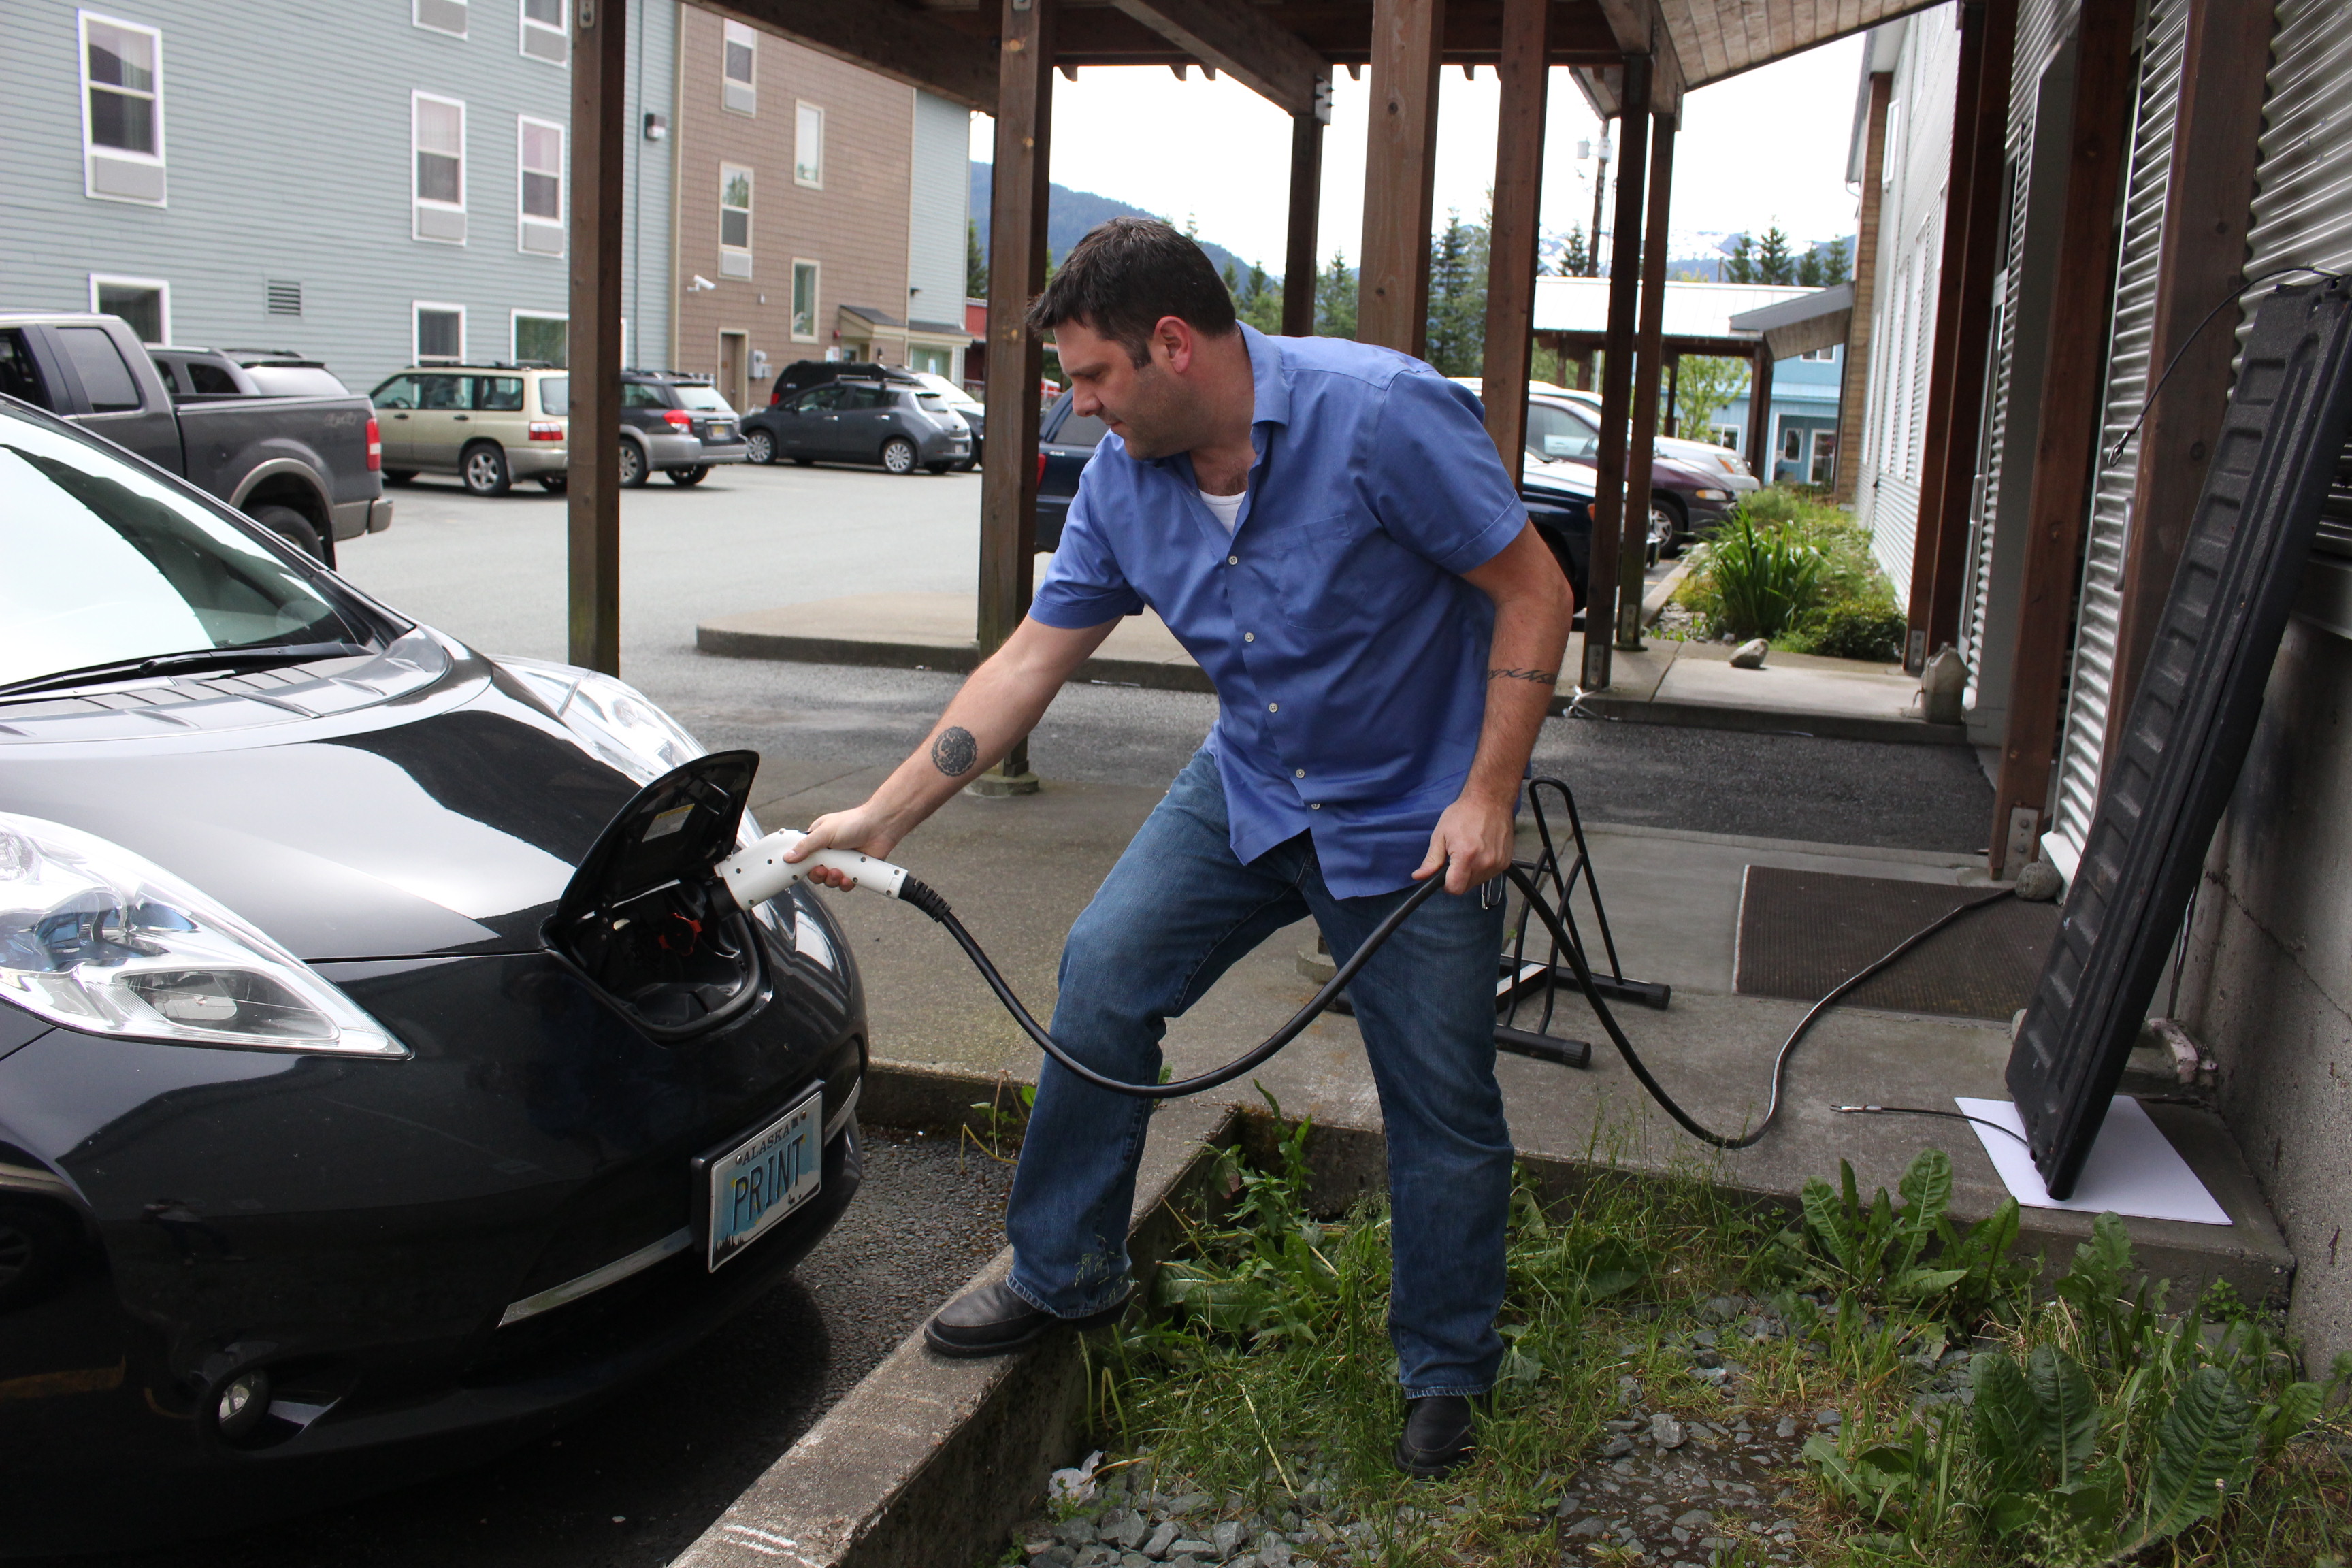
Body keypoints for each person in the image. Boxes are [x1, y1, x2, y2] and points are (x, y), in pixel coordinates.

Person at [787, 216, 1573, 1477]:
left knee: (1442, 1100)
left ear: (1173, 347)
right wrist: (884, 815)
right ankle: (1065, 1272)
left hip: (1412, 813)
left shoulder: (1381, 417)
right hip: (1254, 787)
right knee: (1103, 977)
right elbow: (1030, 662)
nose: (1080, 407)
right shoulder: (1122, 486)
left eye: (1093, 379)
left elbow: (1536, 590)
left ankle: (1446, 1367)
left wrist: (1489, 793)